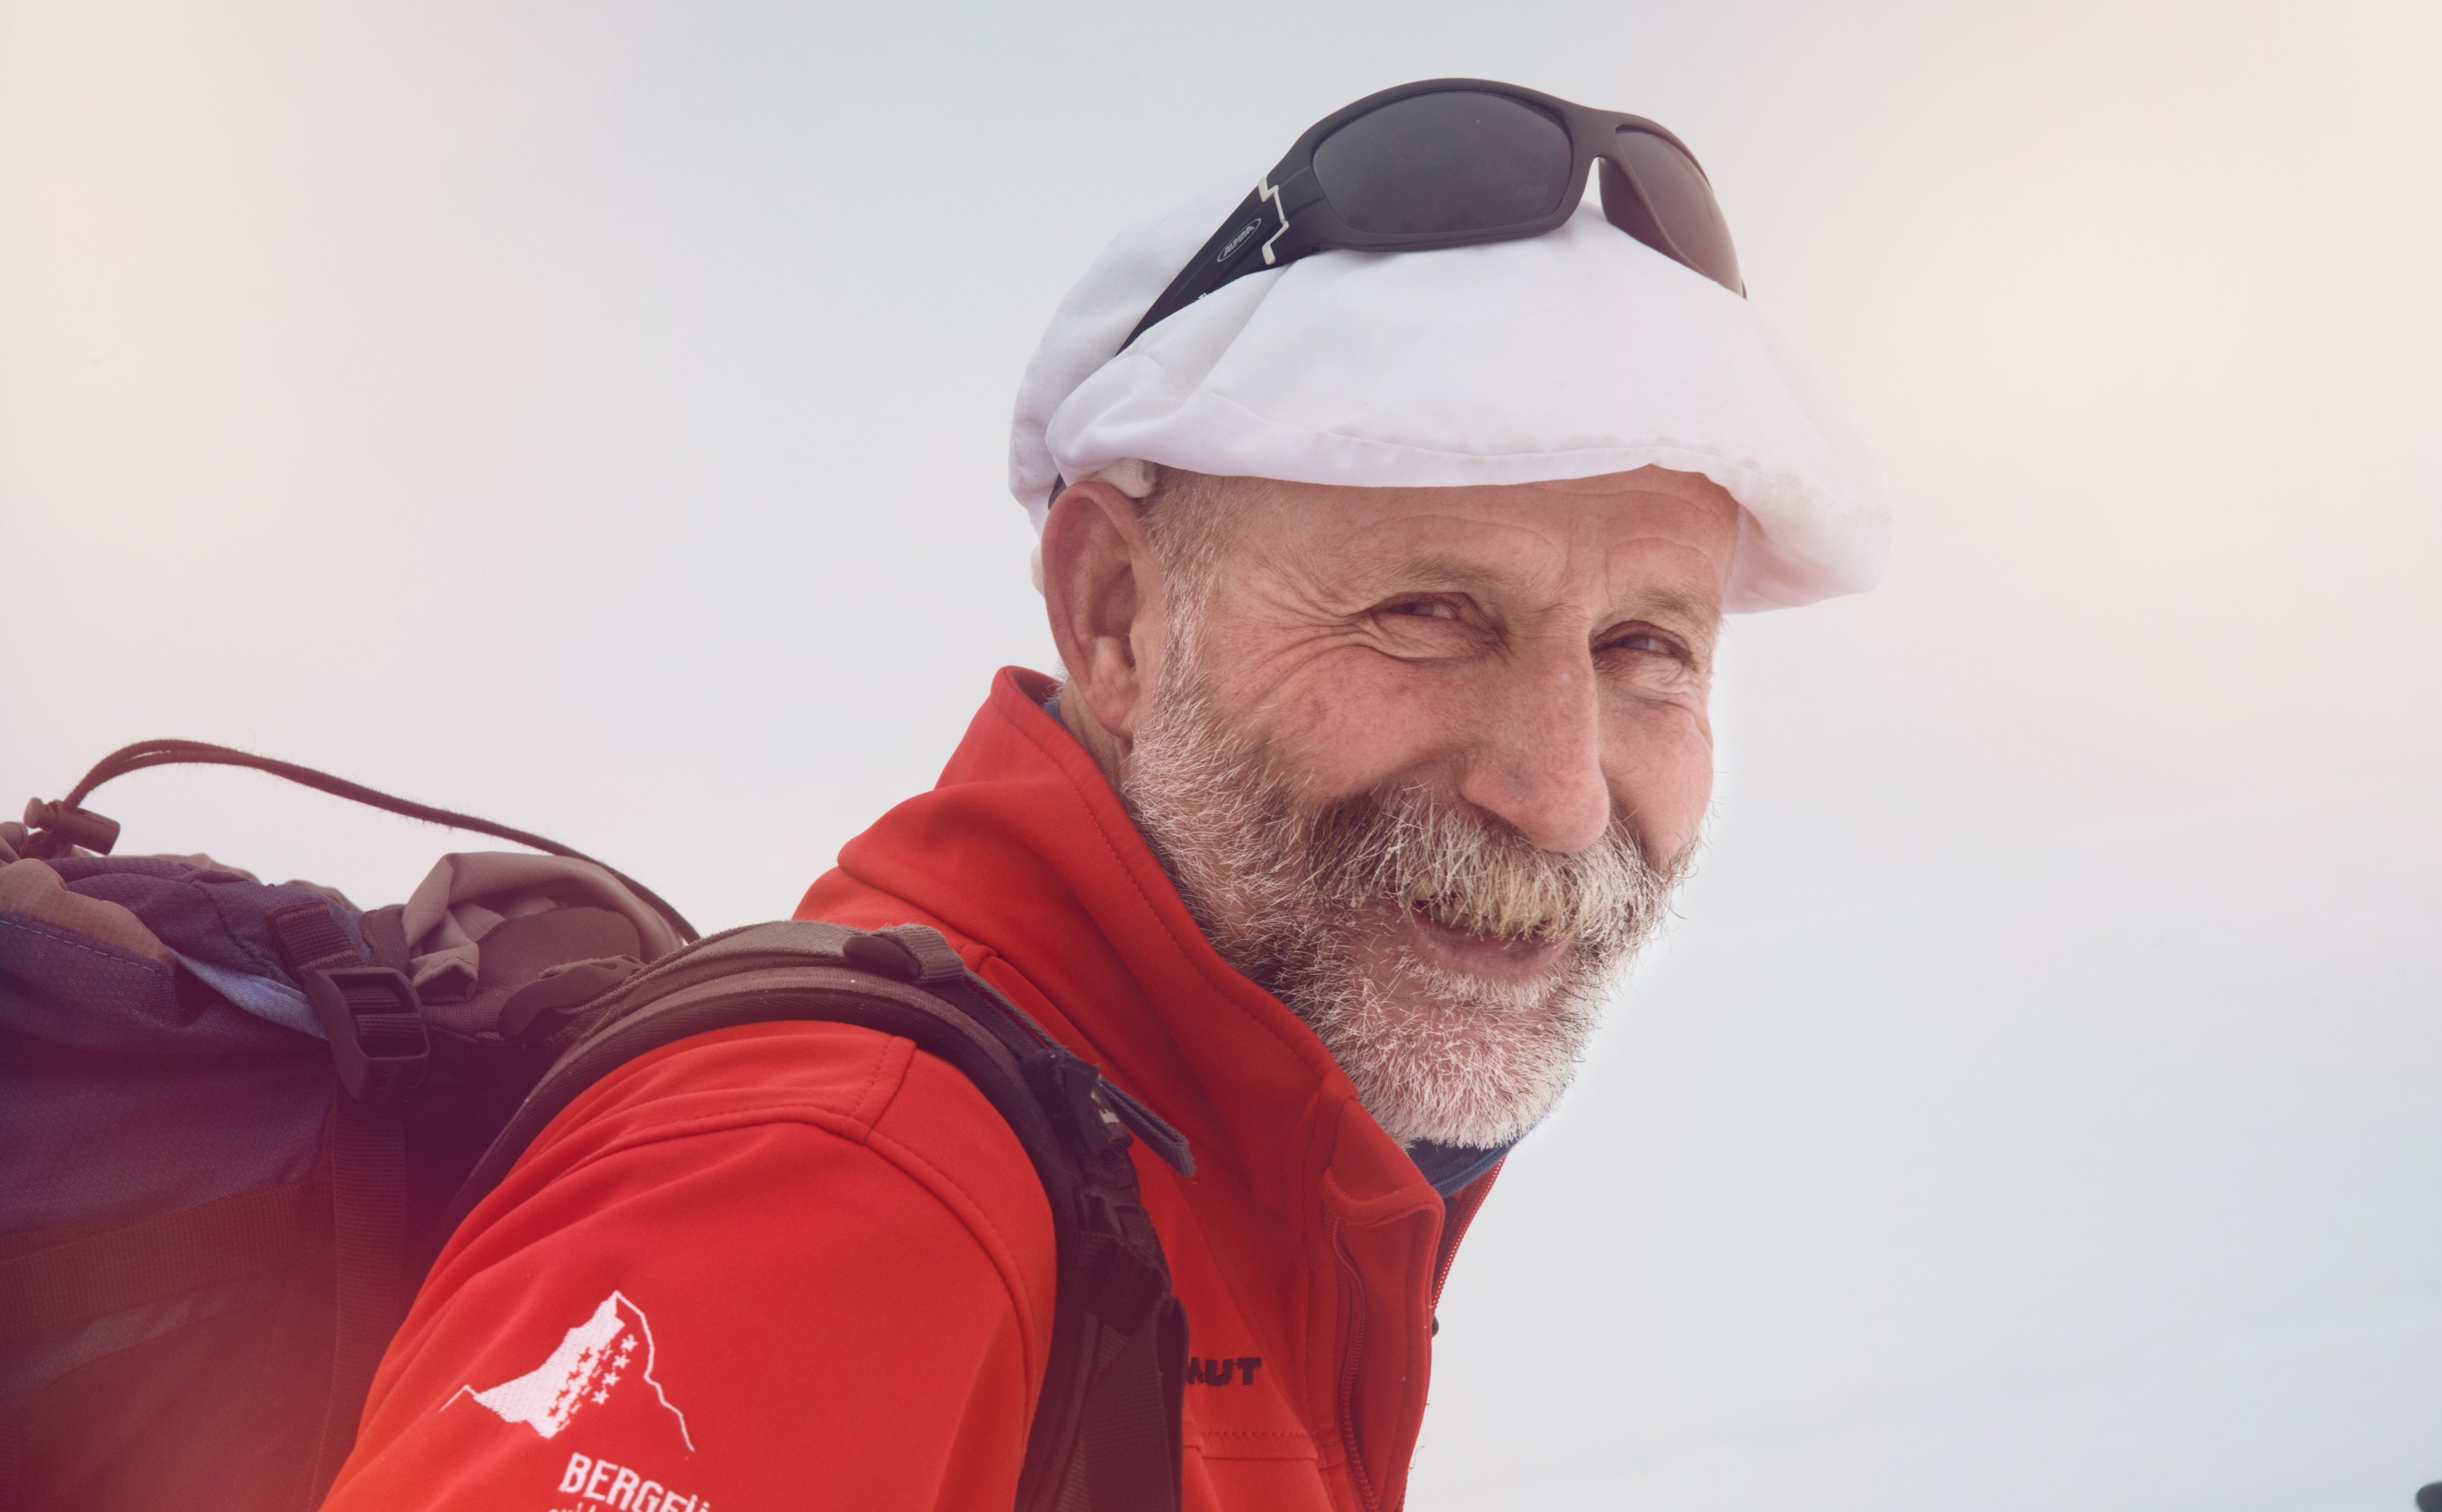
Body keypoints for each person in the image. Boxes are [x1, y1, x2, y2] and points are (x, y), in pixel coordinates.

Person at [324, 78, 1888, 1512]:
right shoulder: (856, 1183)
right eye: (1428, 613)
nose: (1555, 793)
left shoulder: (1233, 1197)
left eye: (1643, 647)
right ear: (1119, 618)